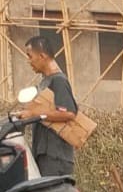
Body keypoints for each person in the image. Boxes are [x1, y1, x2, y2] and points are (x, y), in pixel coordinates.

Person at [17, 36, 78, 177]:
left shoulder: (59, 81)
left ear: (42, 56)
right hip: (44, 154)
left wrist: (34, 115)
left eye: (30, 56)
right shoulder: (46, 81)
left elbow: (69, 113)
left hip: (55, 157)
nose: (29, 61)